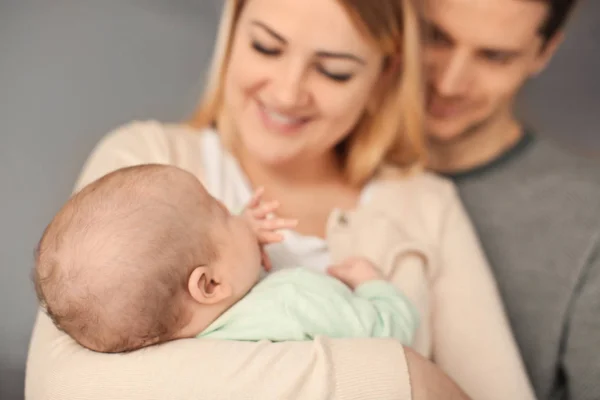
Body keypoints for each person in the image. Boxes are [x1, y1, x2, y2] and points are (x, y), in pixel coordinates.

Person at [25, 0, 534, 399]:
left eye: (333, 70)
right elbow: (65, 386)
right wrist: (406, 379)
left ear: (383, 76)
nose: (288, 92)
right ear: (232, 33)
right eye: (267, 47)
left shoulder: (426, 204)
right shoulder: (146, 161)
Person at [33, 164, 420, 353]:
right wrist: (374, 284)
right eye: (221, 210)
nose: (237, 213)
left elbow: (206, 251)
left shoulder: (183, 344)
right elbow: (393, 335)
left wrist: (239, 236)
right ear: (210, 284)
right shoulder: (295, 298)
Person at [422, 0, 600, 399]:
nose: (449, 82)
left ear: (545, 52)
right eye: (435, 38)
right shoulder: (310, 161)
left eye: (494, 57)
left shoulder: (590, 216)